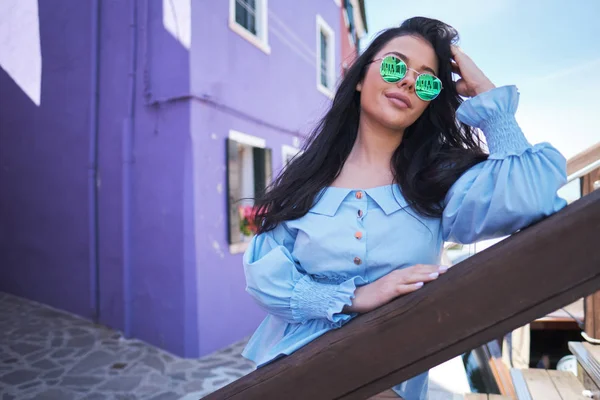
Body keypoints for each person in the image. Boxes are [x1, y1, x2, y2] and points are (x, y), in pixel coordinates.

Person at [240, 16, 567, 400]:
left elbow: (533, 196)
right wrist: (354, 298)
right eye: (396, 65)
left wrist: (485, 95)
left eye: (428, 81)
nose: (409, 81)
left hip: (390, 377)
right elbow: (263, 275)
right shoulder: (308, 178)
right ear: (361, 77)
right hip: (293, 377)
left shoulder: (437, 185)